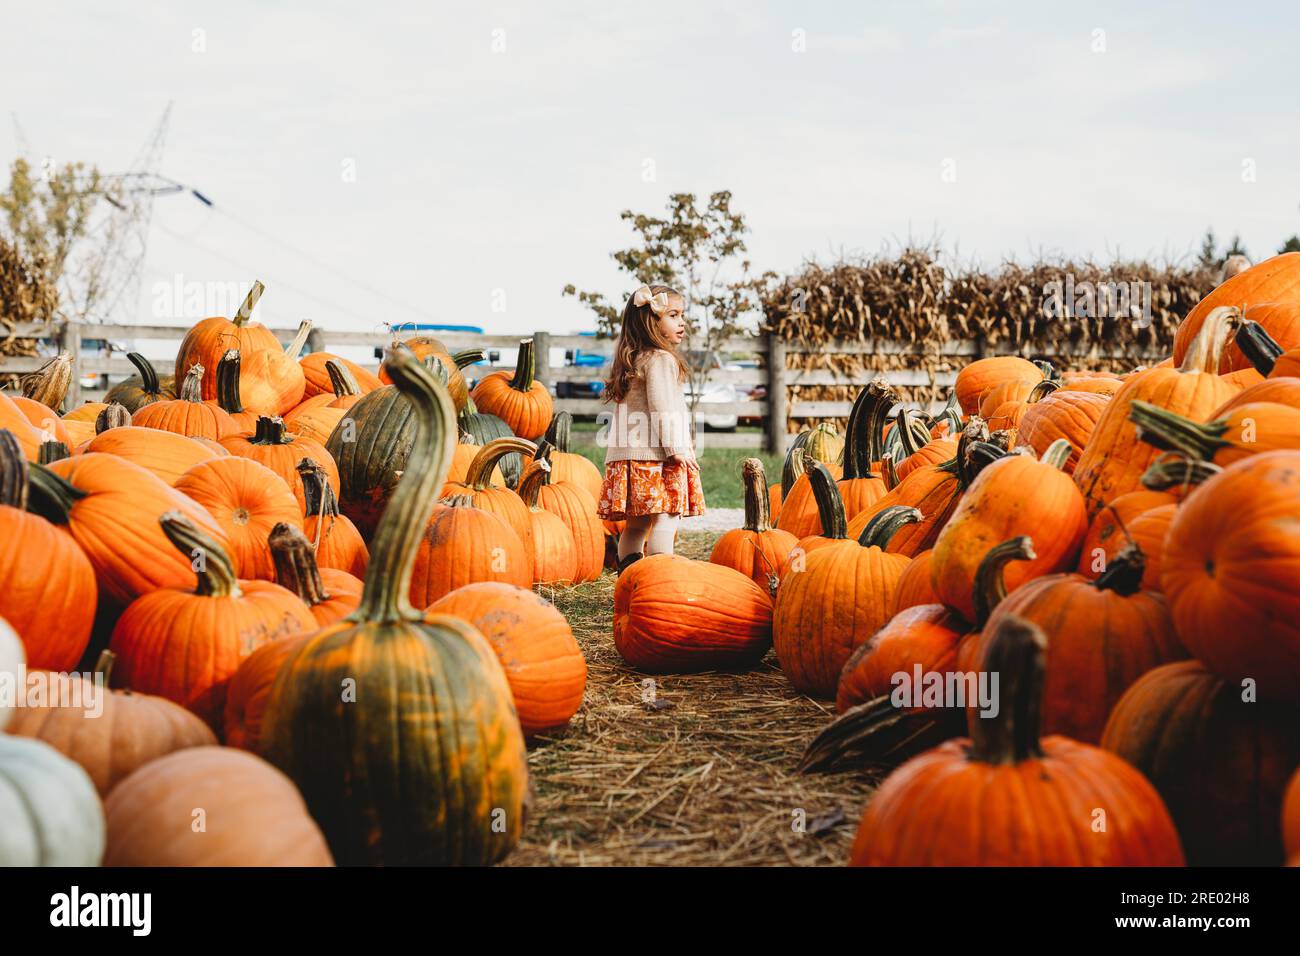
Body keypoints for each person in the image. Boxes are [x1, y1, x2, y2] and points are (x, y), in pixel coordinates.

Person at [596, 284, 705, 572]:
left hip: (629, 457)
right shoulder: (661, 360)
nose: (682, 322)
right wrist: (677, 449)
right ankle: (659, 583)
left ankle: (630, 580)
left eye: (682, 315)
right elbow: (662, 408)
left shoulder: (633, 360)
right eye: (673, 315)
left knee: (636, 525)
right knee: (667, 517)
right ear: (651, 321)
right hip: (657, 457)